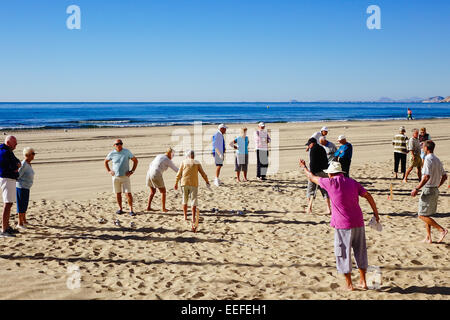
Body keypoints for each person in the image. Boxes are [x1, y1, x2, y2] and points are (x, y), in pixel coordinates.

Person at [299, 160, 380, 291]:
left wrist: (304, 167)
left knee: (343, 253)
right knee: (360, 251)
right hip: (358, 222)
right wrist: (376, 214)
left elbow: (311, 177)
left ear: (330, 174)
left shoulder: (330, 182)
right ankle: (363, 281)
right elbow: (368, 196)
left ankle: (349, 284)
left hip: (343, 225)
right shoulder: (352, 182)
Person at [410, 140, 447, 244]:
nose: (422, 148)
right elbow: (445, 176)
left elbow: (426, 177)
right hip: (434, 189)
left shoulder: (428, 159)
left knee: (421, 215)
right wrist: (438, 185)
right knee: (426, 214)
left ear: (426, 148)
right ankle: (428, 237)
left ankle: (442, 230)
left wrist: (416, 188)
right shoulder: (437, 159)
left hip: (429, 189)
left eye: (423, 146)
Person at [174, 150, 210, 232]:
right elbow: (203, 173)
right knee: (193, 200)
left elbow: (179, 173)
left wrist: (176, 182)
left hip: (184, 183)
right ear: (194, 155)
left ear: (187, 155)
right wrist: (207, 181)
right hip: (194, 184)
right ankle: (193, 218)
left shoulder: (183, 162)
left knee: (184, 199)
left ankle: (185, 216)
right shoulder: (197, 162)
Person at [104, 139, 138, 216]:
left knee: (128, 193)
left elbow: (135, 161)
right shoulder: (112, 153)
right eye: (117, 144)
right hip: (115, 177)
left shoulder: (127, 152)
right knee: (118, 193)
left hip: (125, 176)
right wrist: (109, 171)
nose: (119, 145)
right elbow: (105, 162)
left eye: (120, 143)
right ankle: (120, 209)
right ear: (114, 145)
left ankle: (131, 210)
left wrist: (132, 171)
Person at [0, 136, 21, 237]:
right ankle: (4, 229)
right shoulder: (4, 152)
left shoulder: (8, 151)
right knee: (7, 204)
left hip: (10, 178)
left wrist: (16, 165)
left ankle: (7, 227)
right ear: (8, 142)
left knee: (9, 203)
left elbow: (17, 162)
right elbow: (12, 165)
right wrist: (15, 166)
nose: (16, 146)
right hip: (7, 179)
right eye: (15, 143)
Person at [146, 147, 179, 212]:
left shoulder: (159, 156)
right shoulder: (167, 160)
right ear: (169, 153)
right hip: (156, 173)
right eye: (173, 155)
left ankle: (148, 207)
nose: (173, 156)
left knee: (152, 192)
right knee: (163, 192)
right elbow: (176, 170)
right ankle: (163, 208)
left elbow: (151, 164)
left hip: (149, 173)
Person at [304, 138, 331, 214]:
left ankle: (309, 208)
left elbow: (312, 162)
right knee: (325, 191)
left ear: (312, 143)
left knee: (311, 190)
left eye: (309, 144)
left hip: (315, 172)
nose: (308, 146)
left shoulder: (313, 149)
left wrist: (311, 174)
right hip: (323, 172)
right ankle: (328, 209)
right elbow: (326, 160)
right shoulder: (322, 148)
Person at [16, 147, 36, 229]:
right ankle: (20, 223)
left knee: (25, 204)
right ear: (27, 155)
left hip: (26, 187)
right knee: (21, 205)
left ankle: (24, 220)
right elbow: (18, 175)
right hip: (21, 187)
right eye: (33, 154)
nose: (34, 156)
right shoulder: (24, 164)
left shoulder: (28, 164)